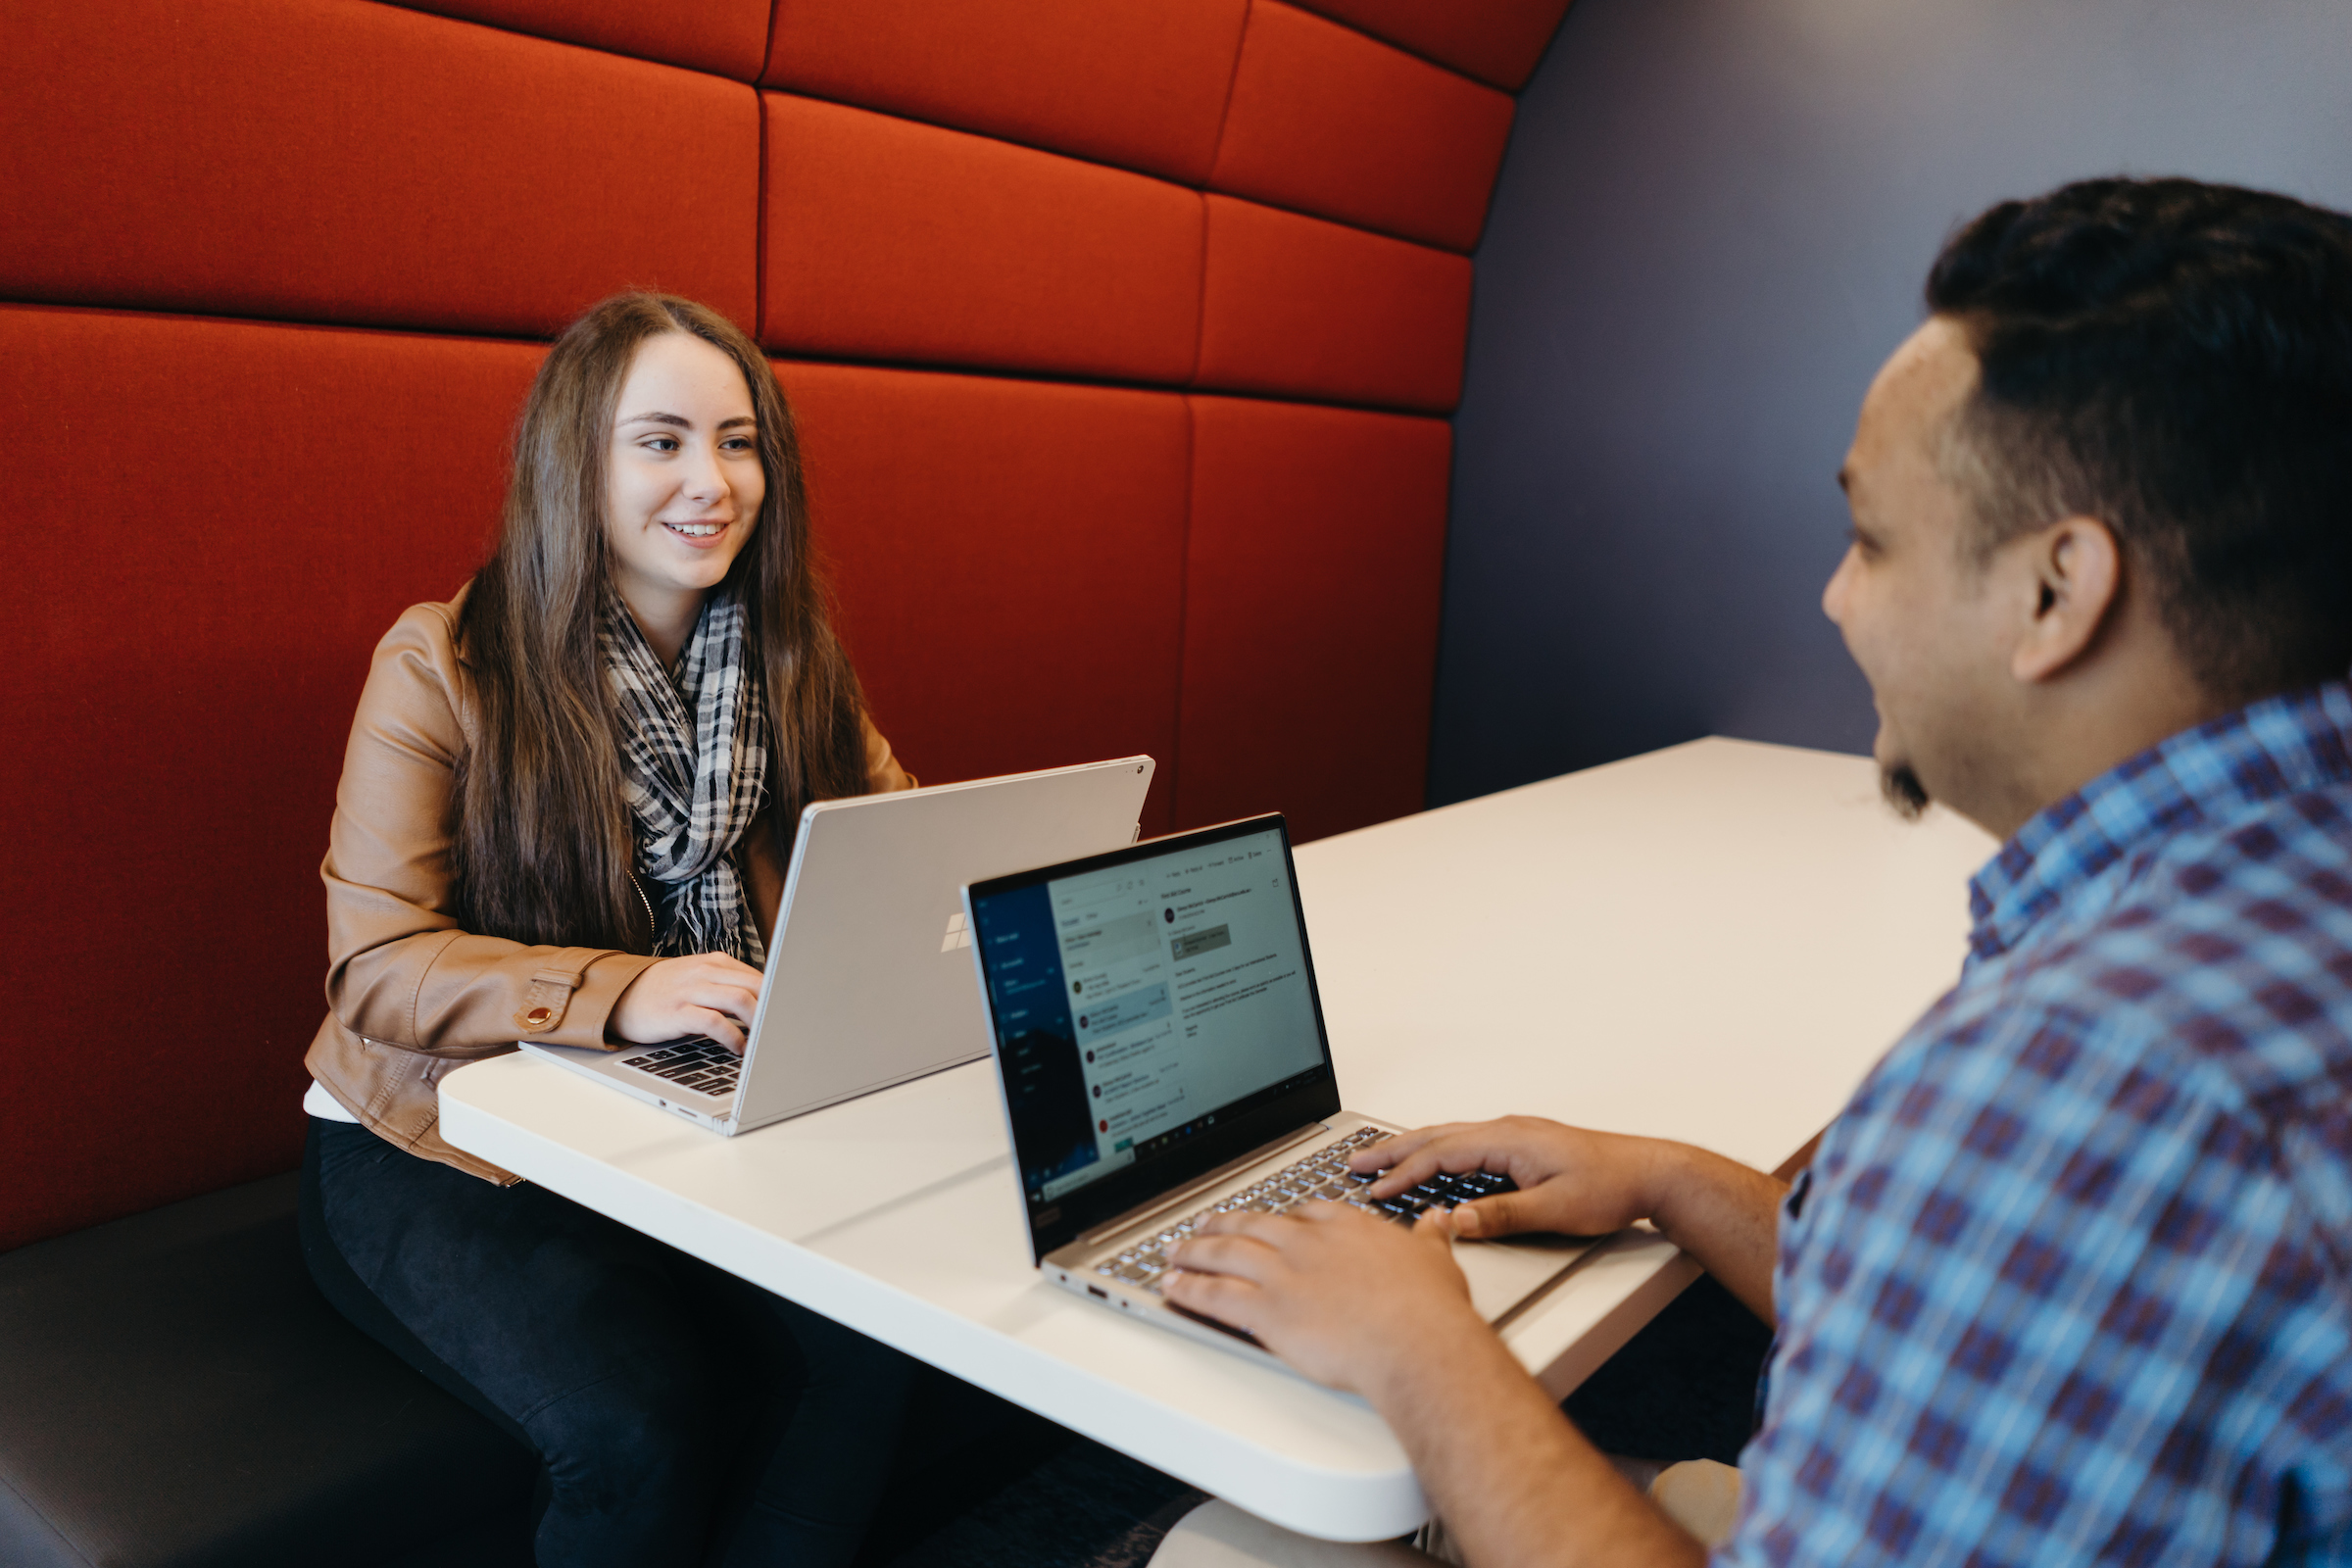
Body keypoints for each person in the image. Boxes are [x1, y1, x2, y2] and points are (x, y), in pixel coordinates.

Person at [1152, 177, 2352, 1565]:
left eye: (1871, 540)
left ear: (2056, 593)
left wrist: (1420, 1348)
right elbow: (1982, 1325)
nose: (1835, 598)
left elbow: (2039, 1219)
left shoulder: (2087, 1083)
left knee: (1234, 1546)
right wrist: (1669, 1177)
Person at [296, 292, 920, 1567]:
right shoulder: (442, 662)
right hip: (436, 1138)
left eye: (741, 441)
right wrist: (620, 994)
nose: (713, 480)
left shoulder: (796, 669)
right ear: (573, 457)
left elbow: (903, 862)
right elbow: (376, 966)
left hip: (687, 1117)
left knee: (888, 1351)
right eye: (663, 440)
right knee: (632, 1420)